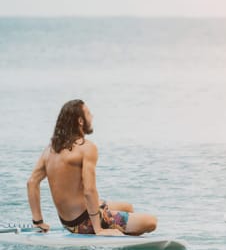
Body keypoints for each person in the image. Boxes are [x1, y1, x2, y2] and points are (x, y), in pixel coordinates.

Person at [27, 99, 157, 236]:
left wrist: (38, 221)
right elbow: (89, 191)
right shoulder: (86, 148)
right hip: (84, 222)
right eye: (88, 113)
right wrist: (98, 229)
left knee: (128, 207)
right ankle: (110, 230)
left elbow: (31, 183)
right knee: (151, 222)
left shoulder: (50, 150)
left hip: (67, 222)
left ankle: (118, 229)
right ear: (80, 121)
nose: (92, 116)